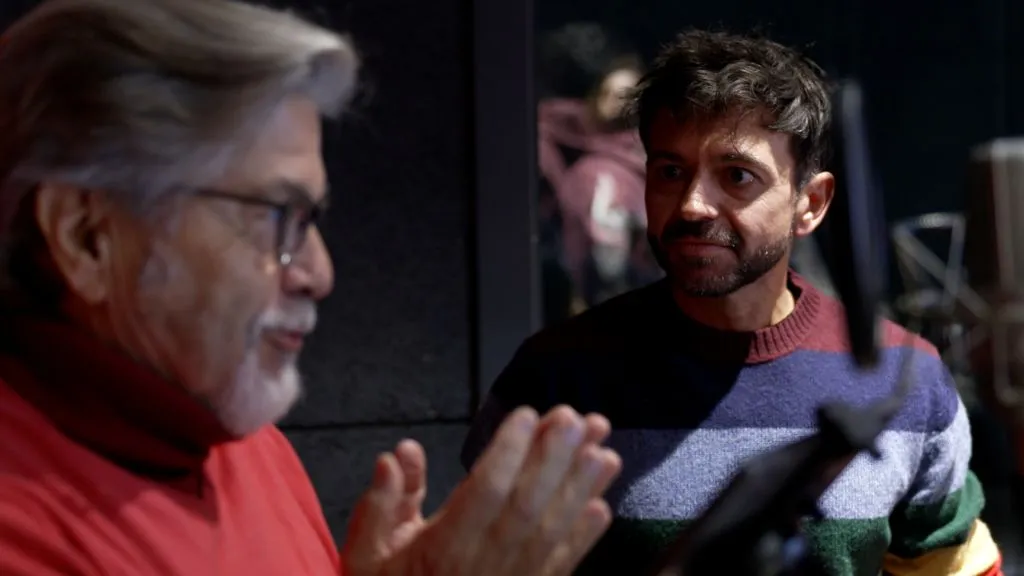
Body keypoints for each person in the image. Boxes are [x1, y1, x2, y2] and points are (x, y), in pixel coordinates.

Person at [0, 1, 622, 575]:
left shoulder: (244, 441)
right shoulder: (19, 522)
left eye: (311, 219)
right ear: (87, 237)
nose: (319, 273)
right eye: (277, 217)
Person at [464, 29, 1004, 576]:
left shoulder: (905, 379)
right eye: (670, 172)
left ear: (811, 203)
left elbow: (953, 563)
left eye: (737, 176)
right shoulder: (555, 380)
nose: (693, 205)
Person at [536, 22, 661, 323]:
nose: (615, 104)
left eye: (625, 98)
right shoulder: (560, 141)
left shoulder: (616, 168)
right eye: (609, 94)